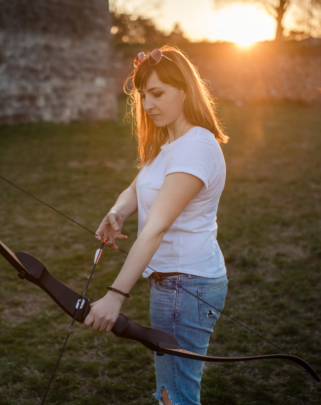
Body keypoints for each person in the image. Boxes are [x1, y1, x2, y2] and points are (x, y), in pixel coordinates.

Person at [82, 45, 229, 405]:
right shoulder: (170, 141)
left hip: (185, 287)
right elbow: (139, 185)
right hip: (174, 285)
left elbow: (156, 228)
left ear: (185, 90)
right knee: (173, 392)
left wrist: (114, 296)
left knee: (174, 397)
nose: (147, 105)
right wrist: (118, 211)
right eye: (143, 95)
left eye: (158, 94)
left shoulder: (195, 147)